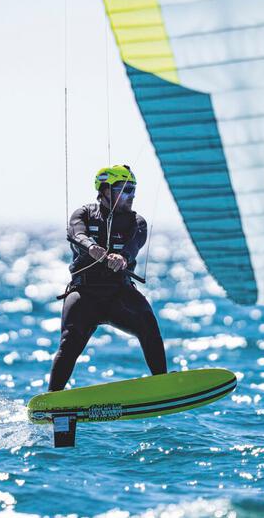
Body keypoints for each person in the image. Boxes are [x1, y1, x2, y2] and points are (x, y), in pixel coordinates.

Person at [48, 164, 167, 391]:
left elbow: (133, 246)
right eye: (125, 189)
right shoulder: (83, 213)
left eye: (133, 189)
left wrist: (122, 258)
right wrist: (92, 248)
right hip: (84, 293)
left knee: (148, 324)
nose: (131, 195)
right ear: (104, 190)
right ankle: (52, 399)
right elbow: (75, 233)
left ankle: (163, 384)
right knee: (68, 343)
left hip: (119, 294)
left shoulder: (137, 222)